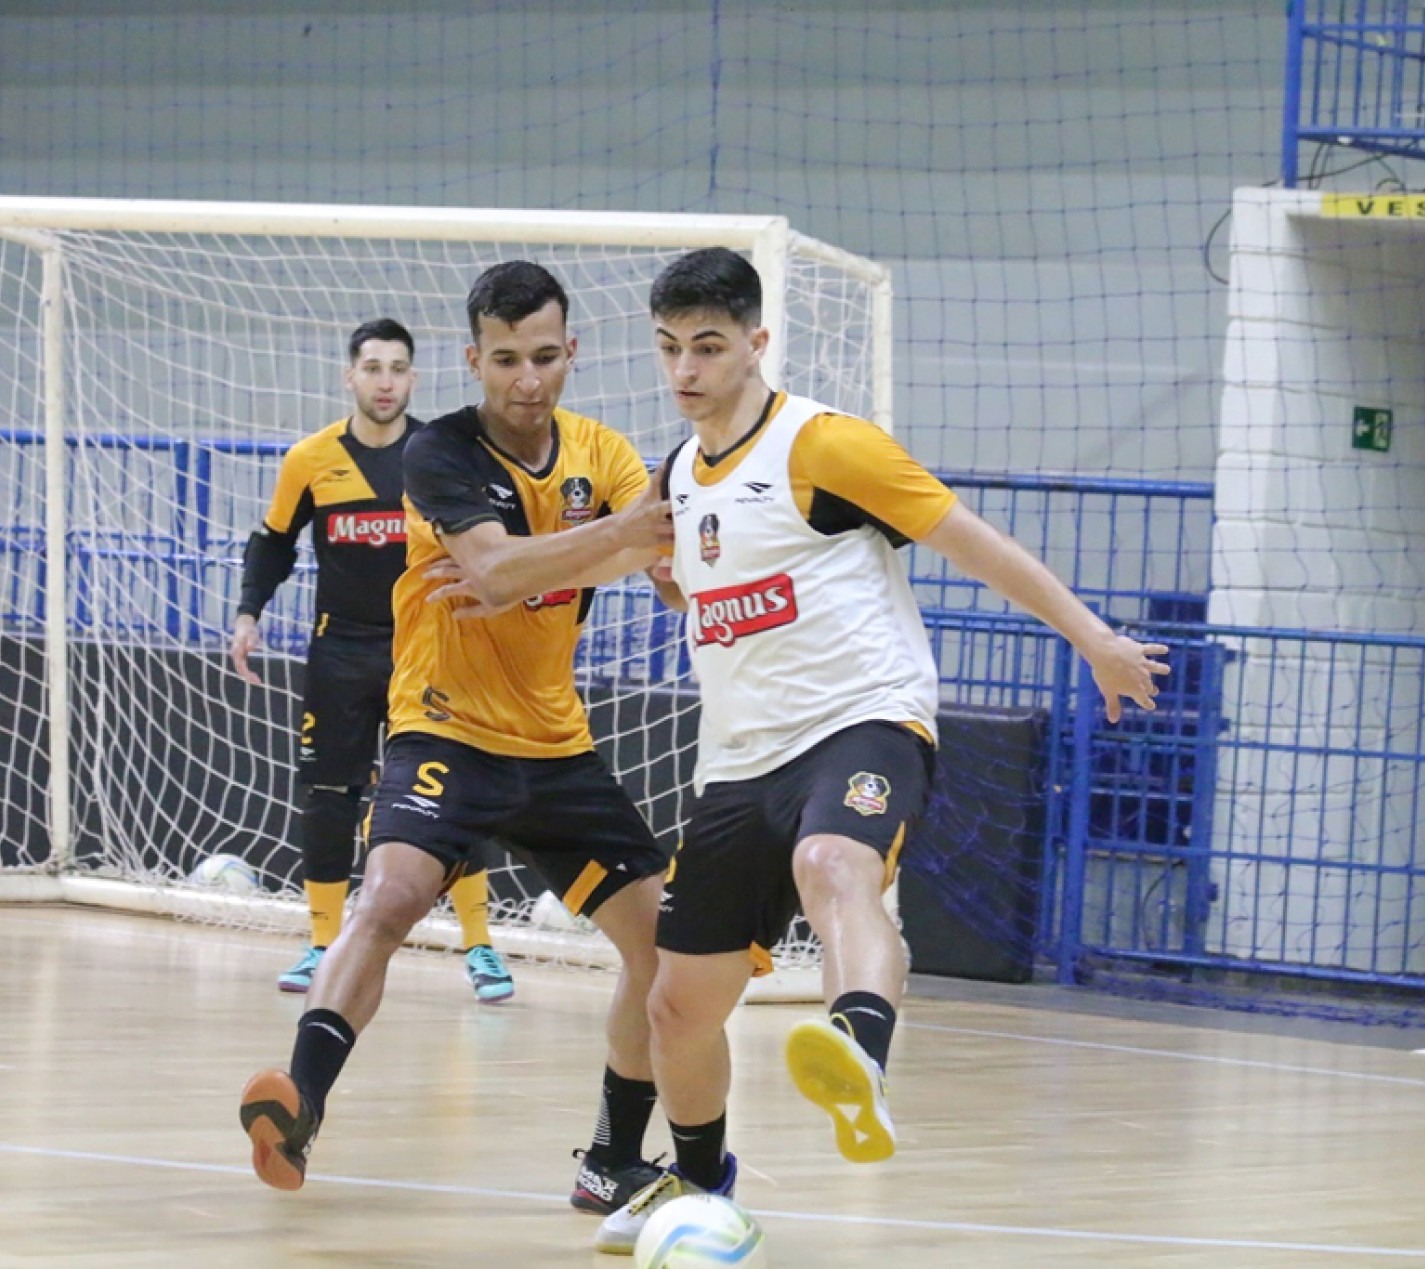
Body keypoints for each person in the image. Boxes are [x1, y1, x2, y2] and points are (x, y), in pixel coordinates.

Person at [594, 248, 1171, 1254]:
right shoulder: (678, 478)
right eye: (669, 348)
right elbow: (691, 583)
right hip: (738, 760)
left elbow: (972, 542)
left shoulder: (826, 445)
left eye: (709, 346)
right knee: (676, 1005)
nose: (686, 369)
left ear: (757, 344)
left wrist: (1094, 638)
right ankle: (698, 1189)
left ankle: (857, 1048)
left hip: (862, 720)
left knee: (832, 864)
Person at [237, 262, 678, 1218]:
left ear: (573, 353)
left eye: (547, 357)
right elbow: (500, 565)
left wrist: (653, 554)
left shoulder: (601, 453)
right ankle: (301, 1099)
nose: (528, 380)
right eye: (508, 359)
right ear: (475, 358)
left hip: (557, 746)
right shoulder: (437, 453)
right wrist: (604, 541)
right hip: (444, 726)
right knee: (390, 895)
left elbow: (654, 549)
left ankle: (611, 1158)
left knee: (663, 947)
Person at [228, 319, 516, 1005]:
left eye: (397, 368)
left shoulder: (438, 454)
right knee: (329, 796)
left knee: (451, 797)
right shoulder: (310, 459)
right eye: (372, 367)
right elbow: (272, 542)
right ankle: (323, 942)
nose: (384, 380)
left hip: (430, 652)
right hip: (339, 652)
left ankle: (479, 943)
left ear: (413, 379)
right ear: (349, 376)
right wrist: (248, 612)